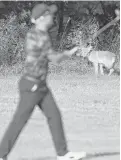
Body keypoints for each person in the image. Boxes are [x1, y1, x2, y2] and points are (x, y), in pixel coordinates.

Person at [0, 4, 86, 160]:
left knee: (54, 115)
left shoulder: (38, 33)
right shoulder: (39, 35)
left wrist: (67, 53)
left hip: (40, 85)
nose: (52, 18)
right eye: (50, 15)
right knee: (20, 120)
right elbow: (54, 58)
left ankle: (63, 153)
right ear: (41, 18)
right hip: (32, 85)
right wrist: (69, 53)